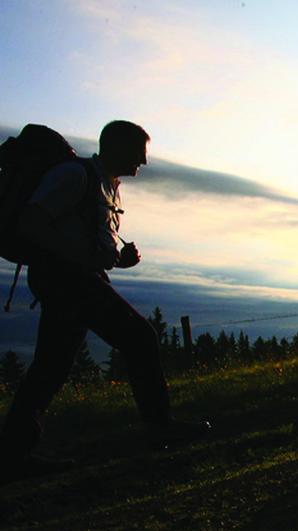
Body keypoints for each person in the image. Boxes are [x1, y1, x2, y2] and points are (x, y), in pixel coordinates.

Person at [1, 120, 209, 480]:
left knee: (51, 367)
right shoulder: (75, 176)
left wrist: (117, 259)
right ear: (117, 147)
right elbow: (31, 223)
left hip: (72, 279)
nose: (142, 163)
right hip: (68, 280)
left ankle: (12, 455)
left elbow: (85, 237)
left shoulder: (105, 184)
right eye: (138, 154)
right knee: (139, 337)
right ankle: (160, 427)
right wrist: (80, 258)